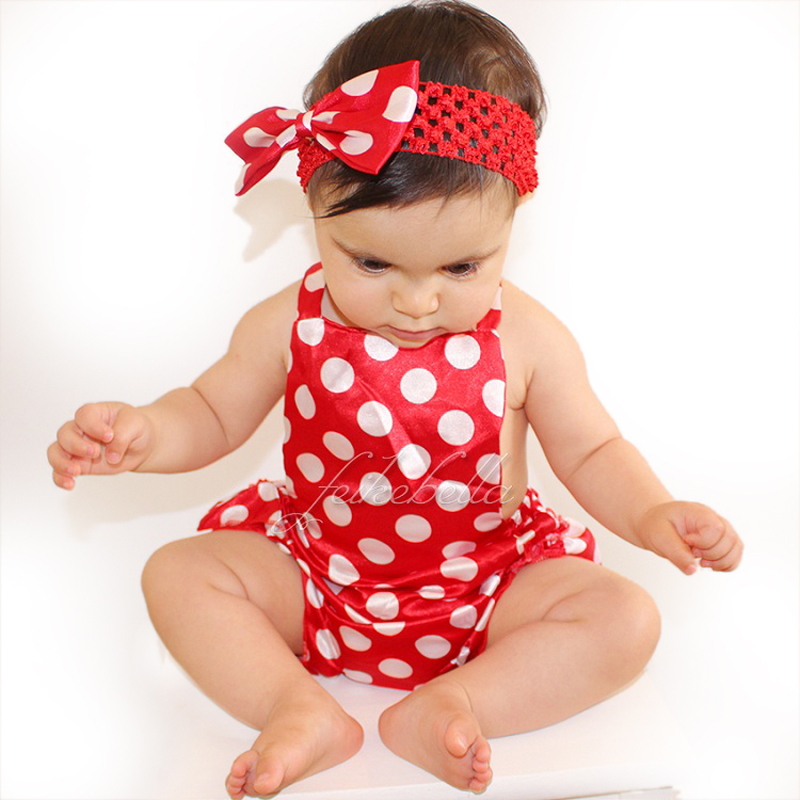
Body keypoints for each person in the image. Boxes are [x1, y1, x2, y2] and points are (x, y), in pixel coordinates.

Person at [47, 1, 743, 797]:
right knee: (177, 573)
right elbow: (210, 412)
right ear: (315, 205)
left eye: (461, 268)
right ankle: (297, 707)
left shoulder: (528, 338)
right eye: (373, 264)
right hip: (319, 577)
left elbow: (591, 451)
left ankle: (458, 700)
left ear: (513, 217)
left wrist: (652, 512)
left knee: (626, 619)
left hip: (485, 591)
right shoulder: (289, 323)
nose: (416, 303)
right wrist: (145, 433)